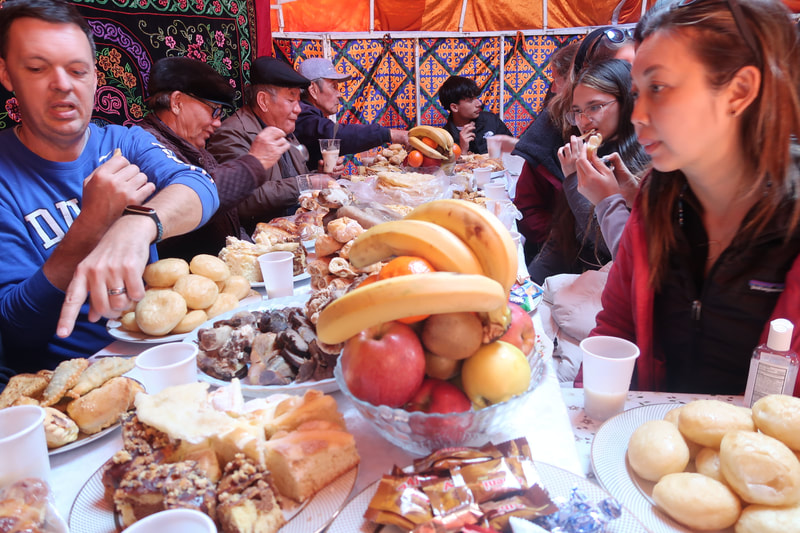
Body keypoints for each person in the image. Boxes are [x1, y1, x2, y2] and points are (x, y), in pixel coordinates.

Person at [592, 0, 800, 397]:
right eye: (637, 93)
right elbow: (617, 327)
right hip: (661, 444)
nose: (637, 115)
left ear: (739, 92)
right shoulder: (656, 200)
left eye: (659, 87)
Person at [0, 0, 219, 372]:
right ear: (7, 75)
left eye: (78, 70)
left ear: (95, 78)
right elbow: (15, 329)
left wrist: (136, 224)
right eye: (37, 68)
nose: (63, 85)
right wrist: (90, 227)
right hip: (60, 380)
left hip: (150, 354)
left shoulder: (124, 142)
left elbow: (200, 185)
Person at [140, 56, 289, 260]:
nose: (218, 122)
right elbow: (196, 196)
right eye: (214, 111)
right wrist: (255, 162)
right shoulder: (145, 145)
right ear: (177, 103)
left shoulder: (198, 149)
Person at [529, 59, 649, 284]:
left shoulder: (646, 163)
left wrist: (574, 181)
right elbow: (564, 234)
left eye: (595, 107)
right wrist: (529, 282)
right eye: (577, 112)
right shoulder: (592, 155)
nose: (584, 121)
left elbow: (605, 242)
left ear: (626, 103)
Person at [207, 56, 331, 235]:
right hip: (259, 241)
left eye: (298, 100)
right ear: (263, 101)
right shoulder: (232, 133)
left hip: (296, 230)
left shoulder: (282, 129)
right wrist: (307, 182)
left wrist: (320, 178)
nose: (298, 109)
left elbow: (291, 181)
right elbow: (242, 201)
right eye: (291, 100)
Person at [512, 41, 579, 261]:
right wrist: (563, 241)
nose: (552, 88)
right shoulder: (547, 137)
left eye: (556, 79)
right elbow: (527, 208)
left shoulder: (629, 149)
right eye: (578, 111)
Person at [294, 57, 408, 170]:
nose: (339, 94)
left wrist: (323, 174)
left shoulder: (311, 116)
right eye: (333, 86)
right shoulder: (300, 116)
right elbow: (333, 134)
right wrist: (388, 134)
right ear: (313, 90)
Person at [437, 75, 513, 155]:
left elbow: (514, 152)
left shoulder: (491, 120)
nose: (479, 103)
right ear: (454, 107)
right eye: (470, 100)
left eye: (476, 98)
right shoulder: (445, 138)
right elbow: (447, 166)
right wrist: (463, 151)